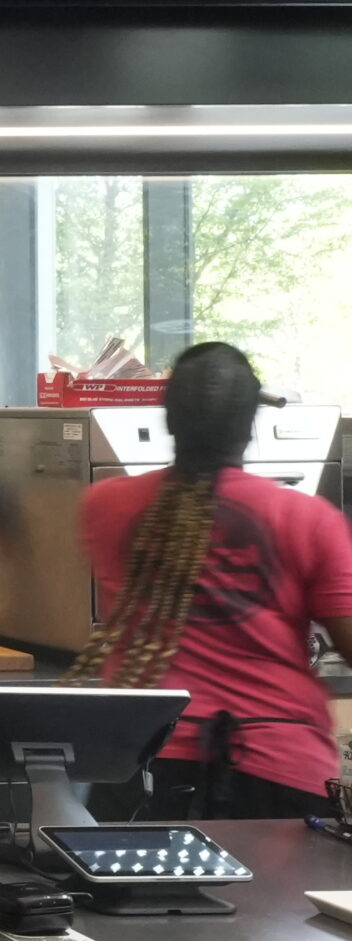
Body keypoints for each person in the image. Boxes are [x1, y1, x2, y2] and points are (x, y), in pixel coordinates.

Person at [75, 342, 352, 820]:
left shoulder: (105, 506)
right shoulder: (307, 519)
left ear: (169, 420)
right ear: (250, 425)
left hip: (142, 766)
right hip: (277, 773)